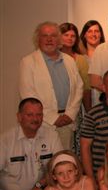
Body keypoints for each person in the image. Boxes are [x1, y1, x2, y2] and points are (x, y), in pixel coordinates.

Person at [0, 98, 62, 190]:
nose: (35, 119)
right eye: (30, 115)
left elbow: (60, 167)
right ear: (19, 117)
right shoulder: (5, 140)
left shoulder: (51, 135)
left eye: (39, 114)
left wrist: (40, 185)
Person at [19, 22, 84, 151]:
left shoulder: (69, 60)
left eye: (53, 36)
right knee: (41, 160)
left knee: (64, 159)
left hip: (67, 122)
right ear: (38, 39)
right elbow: (28, 95)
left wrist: (70, 115)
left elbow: (79, 88)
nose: (49, 39)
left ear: (59, 39)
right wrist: (53, 118)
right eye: (45, 36)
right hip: (42, 123)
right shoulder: (28, 62)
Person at [59, 22, 91, 112]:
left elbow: (86, 88)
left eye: (73, 36)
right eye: (66, 35)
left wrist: (89, 111)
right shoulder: (52, 58)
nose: (69, 38)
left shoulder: (80, 60)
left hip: (74, 109)